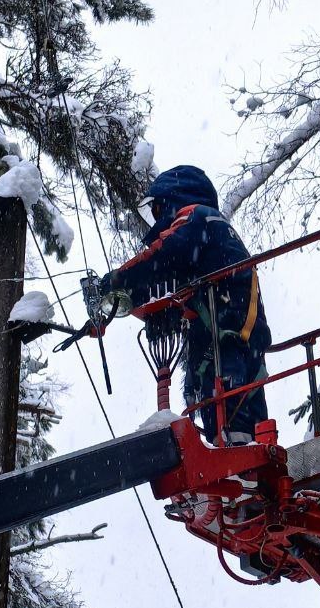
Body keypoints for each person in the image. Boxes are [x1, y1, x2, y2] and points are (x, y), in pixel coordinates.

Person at [100, 164, 271, 442]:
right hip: (239, 332)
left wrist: (118, 279)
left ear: (173, 198)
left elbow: (163, 257)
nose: (158, 219)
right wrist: (123, 301)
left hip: (225, 332)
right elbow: (163, 283)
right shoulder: (215, 232)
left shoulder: (195, 216)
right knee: (243, 405)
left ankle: (237, 458)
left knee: (226, 402)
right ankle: (250, 451)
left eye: (158, 209)